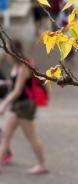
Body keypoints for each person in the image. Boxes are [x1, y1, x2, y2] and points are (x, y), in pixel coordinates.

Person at [0, 40, 48, 174]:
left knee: (31, 137)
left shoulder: (23, 67)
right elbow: (15, 84)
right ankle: (41, 164)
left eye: (8, 50)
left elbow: (18, 90)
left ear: (13, 51)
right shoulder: (16, 66)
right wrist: (5, 83)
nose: (6, 53)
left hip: (25, 105)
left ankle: (42, 165)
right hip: (18, 105)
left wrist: (4, 104)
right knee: (6, 135)